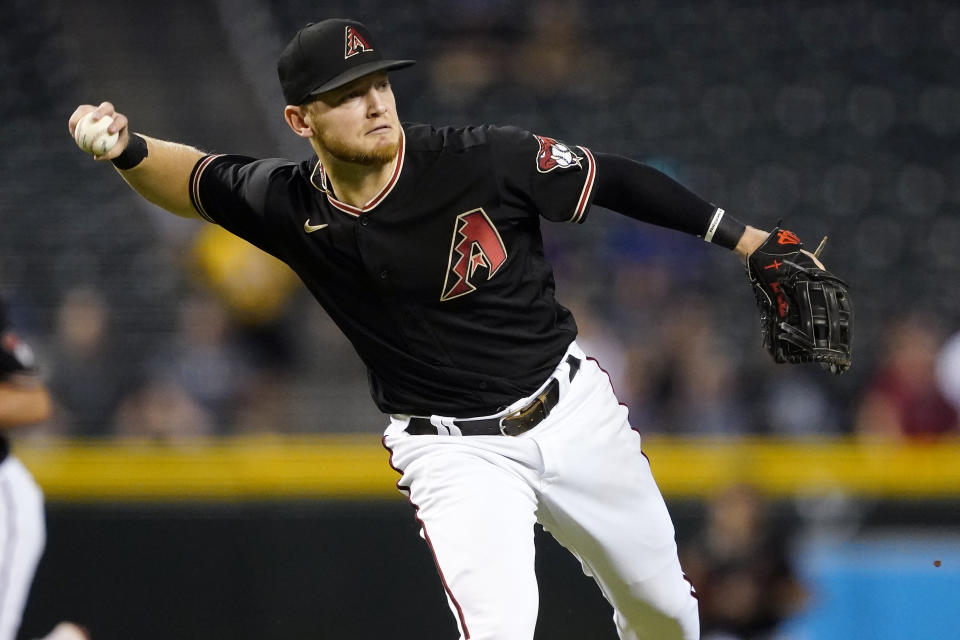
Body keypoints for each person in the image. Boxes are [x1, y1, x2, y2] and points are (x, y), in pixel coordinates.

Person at [67, 18, 834, 640]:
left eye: (378, 84)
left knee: (667, 618)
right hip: (453, 452)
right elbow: (195, 178)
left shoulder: (479, 161)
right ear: (301, 119)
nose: (375, 104)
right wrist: (127, 149)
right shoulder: (287, 202)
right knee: (498, 630)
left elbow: (615, 176)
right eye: (347, 94)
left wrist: (750, 240)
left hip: (569, 412)